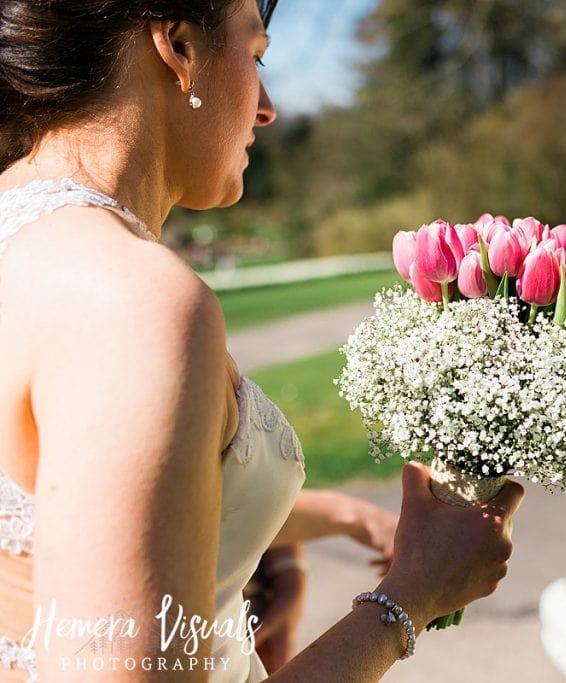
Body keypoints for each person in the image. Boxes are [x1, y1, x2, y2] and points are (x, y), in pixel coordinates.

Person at [0, 0, 524, 681]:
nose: (268, 106)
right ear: (180, 47)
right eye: (257, 55)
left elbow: (64, 512)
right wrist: (412, 594)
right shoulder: (132, 301)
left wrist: (280, 532)